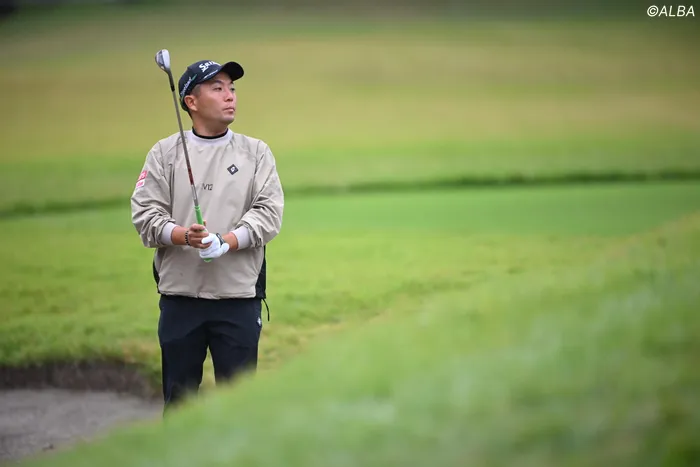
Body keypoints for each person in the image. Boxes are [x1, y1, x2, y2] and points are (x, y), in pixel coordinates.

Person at [130, 58, 284, 413]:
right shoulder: (165, 153)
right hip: (181, 298)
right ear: (191, 102)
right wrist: (185, 236)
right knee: (180, 402)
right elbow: (145, 214)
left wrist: (225, 241)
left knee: (239, 406)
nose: (230, 96)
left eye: (232, 88)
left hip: (238, 297)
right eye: (218, 88)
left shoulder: (256, 152)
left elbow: (268, 213)